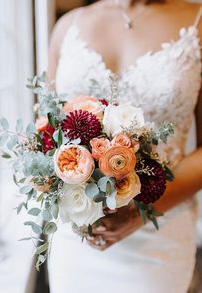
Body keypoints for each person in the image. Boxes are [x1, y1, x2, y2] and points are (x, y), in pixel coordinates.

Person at [47, 0, 202, 292]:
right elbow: (46, 131)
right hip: (78, 236)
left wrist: (141, 208)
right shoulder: (67, 26)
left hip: (159, 234)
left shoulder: (198, 23)